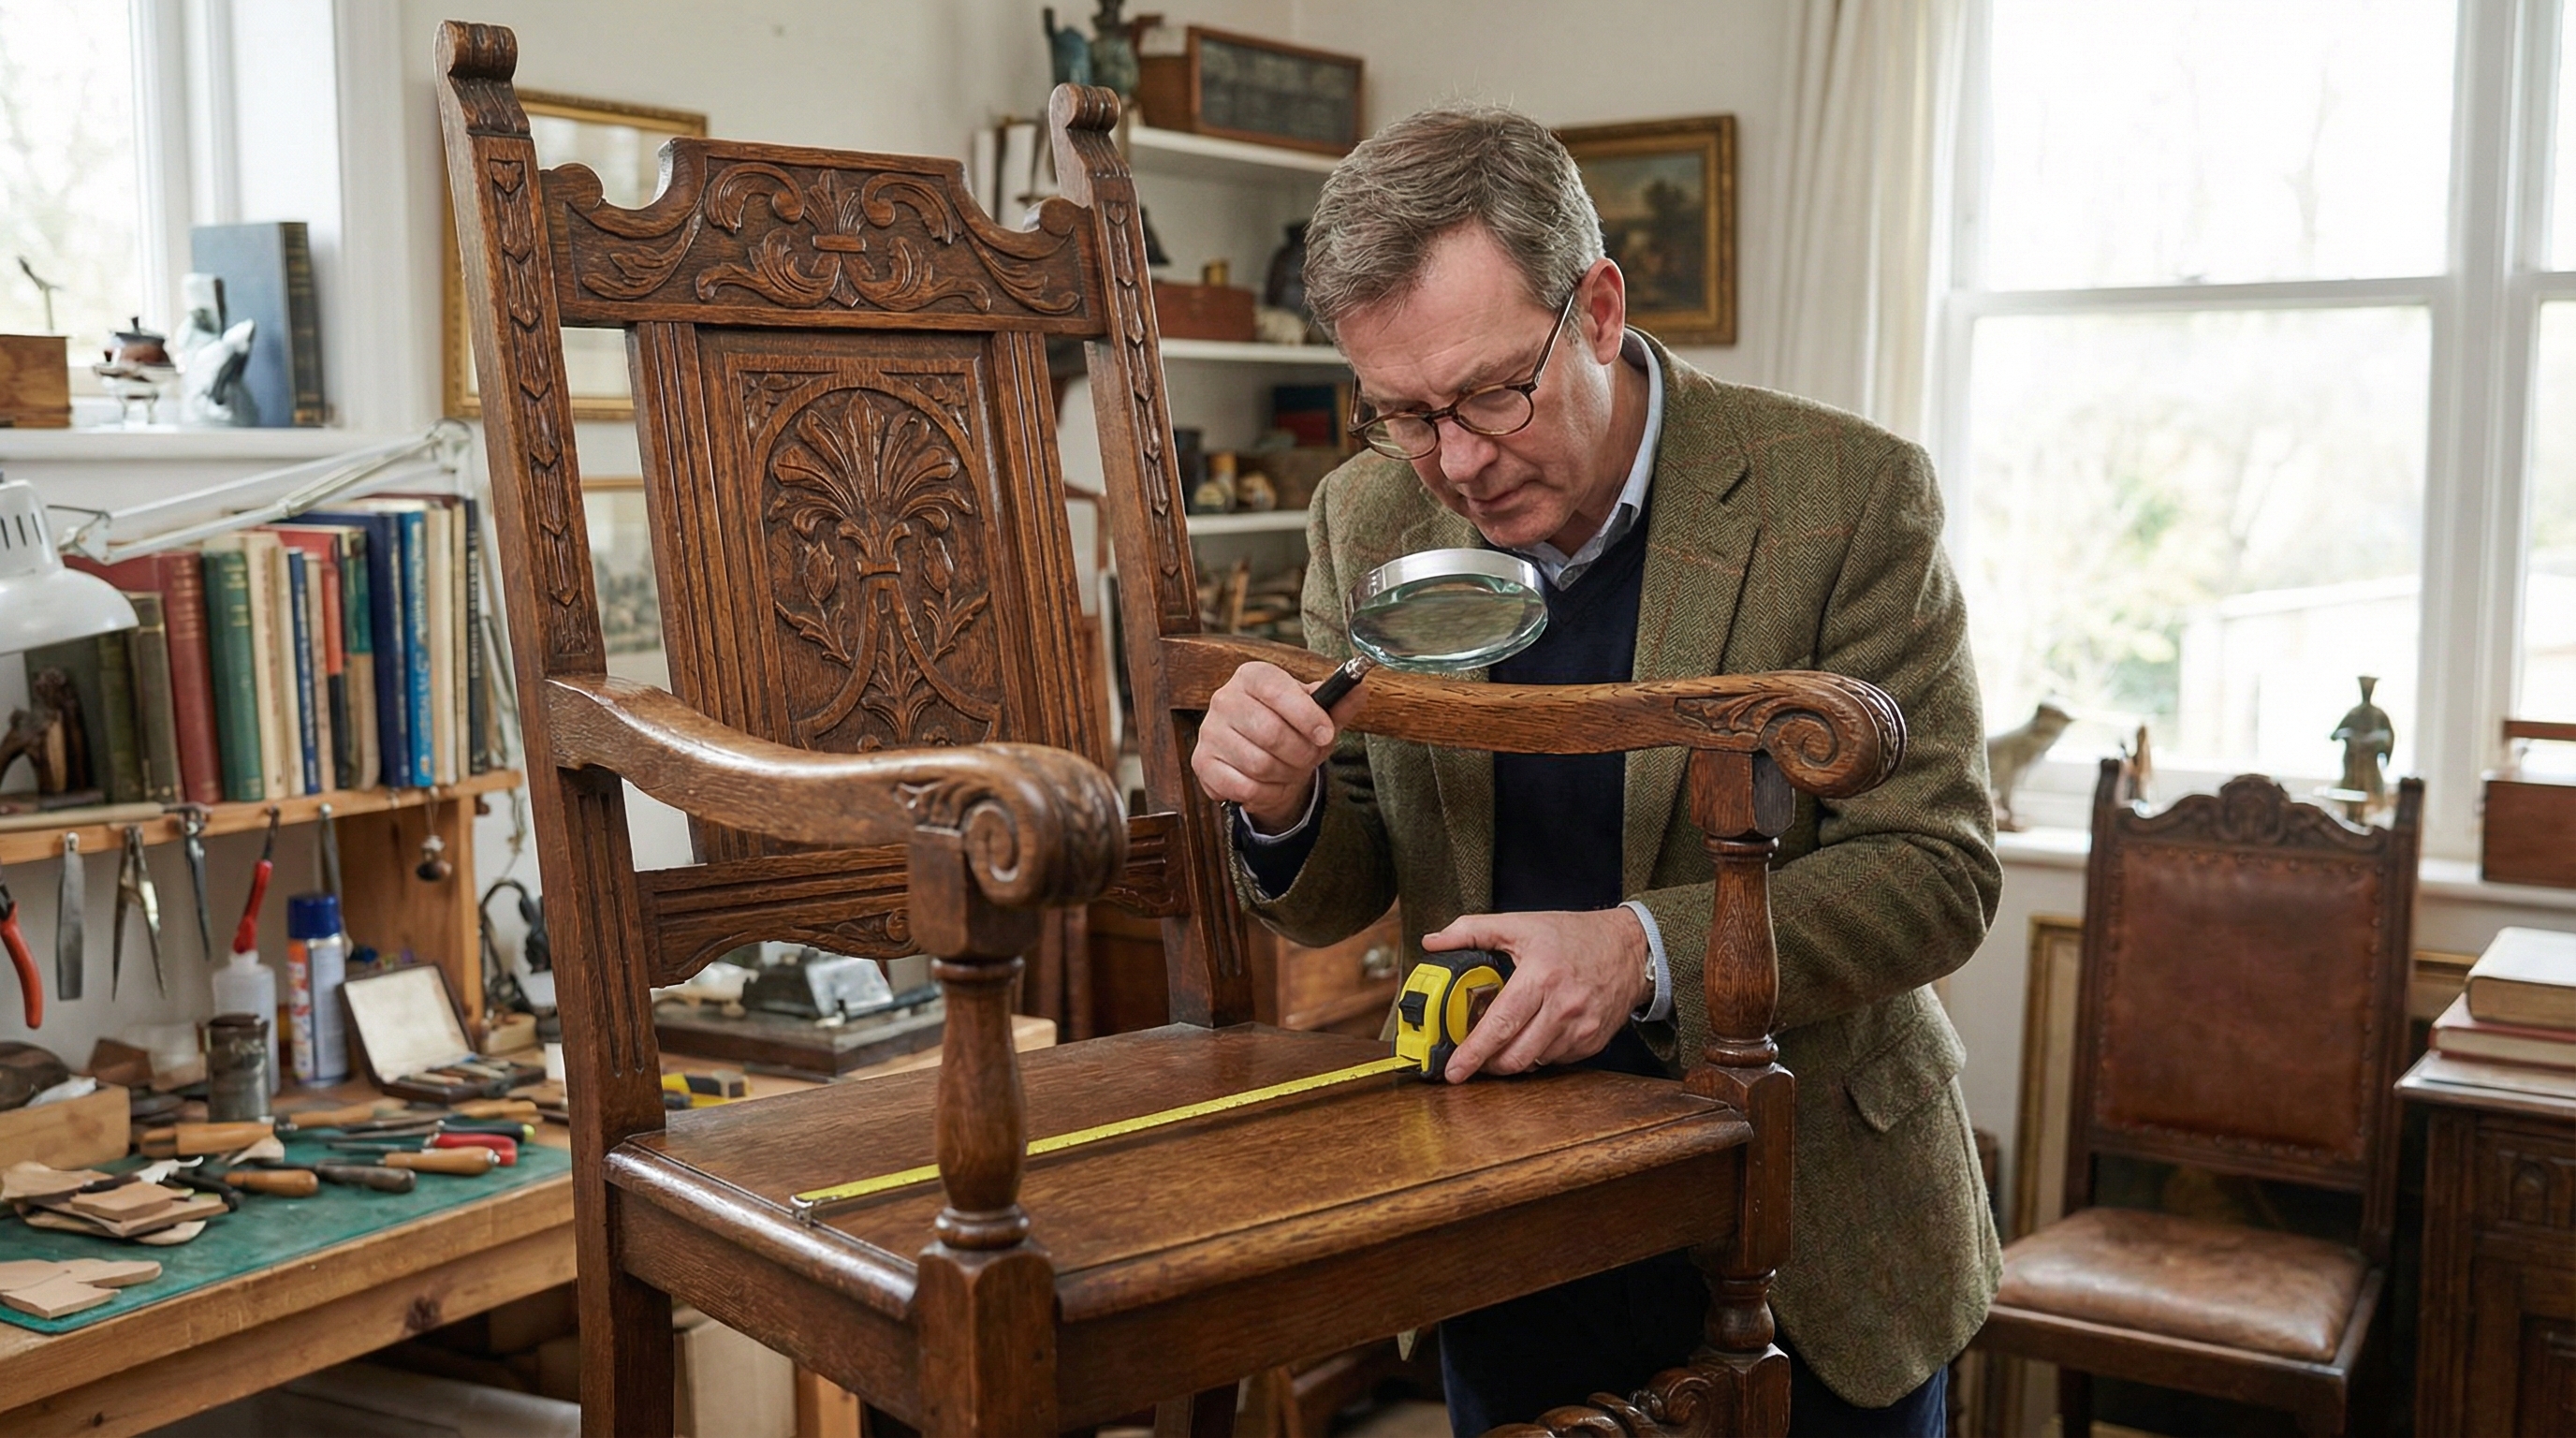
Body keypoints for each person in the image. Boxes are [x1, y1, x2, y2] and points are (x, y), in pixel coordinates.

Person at [1188, 104, 2001, 1438]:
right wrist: (1278, 805)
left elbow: (1938, 872)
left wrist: (1642, 950)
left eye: (1493, 392)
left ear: (1602, 308)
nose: (1455, 463)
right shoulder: (1365, 515)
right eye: (1402, 413)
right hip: (1509, 1223)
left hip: (1812, 1234)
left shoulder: (1848, 497)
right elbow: (1345, 886)